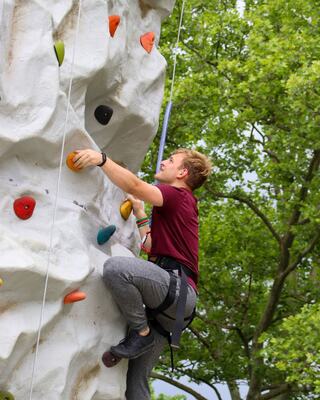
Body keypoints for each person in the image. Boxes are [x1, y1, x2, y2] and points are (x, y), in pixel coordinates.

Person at [73, 148, 212, 400]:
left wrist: (102, 159)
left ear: (182, 173)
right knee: (135, 386)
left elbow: (136, 185)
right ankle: (144, 332)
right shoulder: (177, 205)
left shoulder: (177, 195)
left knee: (116, 269)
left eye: (170, 160)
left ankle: (141, 332)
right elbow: (149, 246)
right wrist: (139, 212)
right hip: (171, 311)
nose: (164, 161)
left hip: (175, 291)